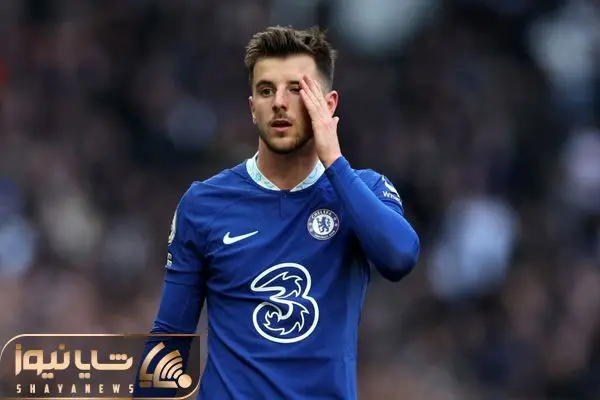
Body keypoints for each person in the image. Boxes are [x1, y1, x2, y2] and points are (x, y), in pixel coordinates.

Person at [135, 25, 420, 400]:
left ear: (328, 104)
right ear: (252, 107)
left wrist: (334, 162)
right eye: (266, 90)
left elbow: (399, 257)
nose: (279, 103)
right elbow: (170, 337)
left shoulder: (361, 190)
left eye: (296, 89)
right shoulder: (204, 204)